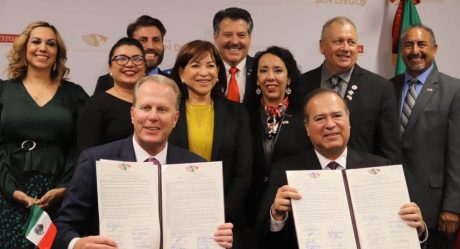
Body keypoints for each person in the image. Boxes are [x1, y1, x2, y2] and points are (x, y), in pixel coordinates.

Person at [53, 75, 234, 249]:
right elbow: (63, 227)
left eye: (162, 109)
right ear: (133, 114)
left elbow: (205, 232)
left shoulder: (197, 167)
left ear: (175, 118)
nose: (153, 117)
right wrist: (77, 244)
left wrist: (219, 237)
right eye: (145, 108)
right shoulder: (95, 161)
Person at [257, 88, 427, 249]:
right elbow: (265, 242)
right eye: (320, 118)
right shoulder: (285, 172)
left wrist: (418, 231)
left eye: (337, 115)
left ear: (349, 121)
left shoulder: (382, 168)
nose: (330, 124)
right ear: (307, 128)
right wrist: (276, 217)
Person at [0, 21, 88, 249]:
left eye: (51, 44)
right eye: (36, 41)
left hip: (57, 197)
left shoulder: (74, 94)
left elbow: (80, 148)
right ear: (24, 48)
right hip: (8, 190)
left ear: (58, 53)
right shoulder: (3, 91)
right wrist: (12, 190)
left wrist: (64, 188)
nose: (43, 48)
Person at [168, 40, 252, 248]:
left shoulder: (237, 112)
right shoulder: (168, 111)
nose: (204, 72)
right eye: (195, 65)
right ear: (181, 73)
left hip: (224, 221)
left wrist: (220, 212)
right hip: (175, 214)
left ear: (218, 72)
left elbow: (243, 171)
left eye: (211, 65)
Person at [391, 24, 460, 249]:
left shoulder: (454, 90)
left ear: (435, 49)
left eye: (422, 44)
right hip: (391, 204)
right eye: (408, 45)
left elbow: (457, 153)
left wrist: (452, 206)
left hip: (435, 209)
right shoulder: (388, 87)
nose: (415, 51)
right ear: (402, 51)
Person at [301, 16, 401, 163]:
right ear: (322, 46)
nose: (346, 48)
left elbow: (390, 151)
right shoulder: (302, 84)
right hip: (312, 179)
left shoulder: (380, 88)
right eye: (339, 41)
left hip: (363, 180)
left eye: (351, 42)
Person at [244, 46, 310, 235]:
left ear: (289, 78)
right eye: (263, 71)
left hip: (293, 210)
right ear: (256, 79)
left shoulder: (305, 115)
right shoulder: (243, 115)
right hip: (248, 213)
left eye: (278, 70)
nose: (270, 77)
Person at [77, 37, 145, 153]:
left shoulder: (156, 102)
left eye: (137, 59)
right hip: (111, 170)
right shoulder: (96, 104)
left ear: (145, 66)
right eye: (121, 59)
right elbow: (87, 153)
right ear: (110, 67)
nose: (130, 64)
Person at [94, 15, 169, 94]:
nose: (150, 46)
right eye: (143, 40)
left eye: (156, 40)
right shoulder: (106, 82)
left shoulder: (174, 82)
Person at [213, 7, 254, 103]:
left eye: (241, 35)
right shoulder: (205, 72)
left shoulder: (261, 69)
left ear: (249, 38)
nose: (235, 41)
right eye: (227, 34)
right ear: (216, 37)